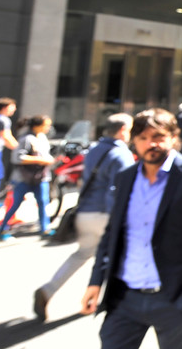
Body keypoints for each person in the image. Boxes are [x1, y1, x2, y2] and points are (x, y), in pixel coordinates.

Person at [81, 108, 182, 349]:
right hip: (124, 297)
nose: (151, 144)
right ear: (133, 141)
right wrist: (96, 281)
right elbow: (112, 234)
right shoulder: (125, 177)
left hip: (174, 297)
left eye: (158, 137)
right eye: (143, 138)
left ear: (173, 137)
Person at [33, 113, 134, 321]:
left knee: (82, 254)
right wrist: (118, 219)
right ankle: (107, 300)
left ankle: (48, 290)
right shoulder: (121, 154)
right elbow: (117, 190)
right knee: (117, 258)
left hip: (85, 211)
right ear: (123, 130)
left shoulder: (94, 149)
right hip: (105, 214)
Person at [0, 115, 56, 240]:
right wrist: (40, 160)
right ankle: (3, 229)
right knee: (15, 204)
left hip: (41, 177)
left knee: (43, 202)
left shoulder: (42, 137)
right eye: (46, 125)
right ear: (37, 126)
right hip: (23, 178)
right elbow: (18, 158)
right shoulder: (26, 139)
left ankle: (45, 228)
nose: (48, 128)